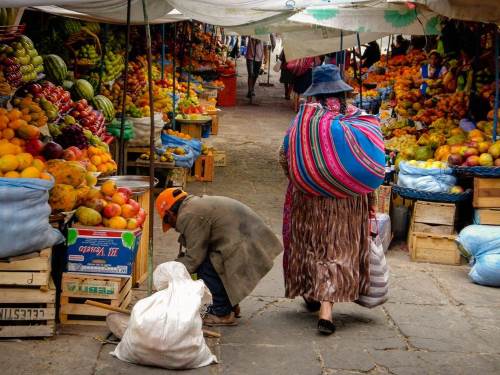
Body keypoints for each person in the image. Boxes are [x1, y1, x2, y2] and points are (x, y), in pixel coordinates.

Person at [279, 65, 380, 335]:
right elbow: (370, 164)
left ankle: (314, 297)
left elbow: (284, 154)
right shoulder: (359, 119)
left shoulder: (304, 120)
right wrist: (368, 199)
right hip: (348, 201)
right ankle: (325, 310)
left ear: (316, 93)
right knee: (338, 249)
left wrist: (307, 176)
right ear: (342, 90)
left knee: (313, 246)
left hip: (309, 199)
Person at [155, 188, 283, 326]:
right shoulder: (192, 206)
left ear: (170, 213)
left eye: (170, 222)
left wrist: (171, 273)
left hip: (244, 241)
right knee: (208, 260)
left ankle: (221, 312)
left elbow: (194, 259)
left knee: (205, 265)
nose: (174, 227)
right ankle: (229, 306)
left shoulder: (188, 215)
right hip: (246, 236)